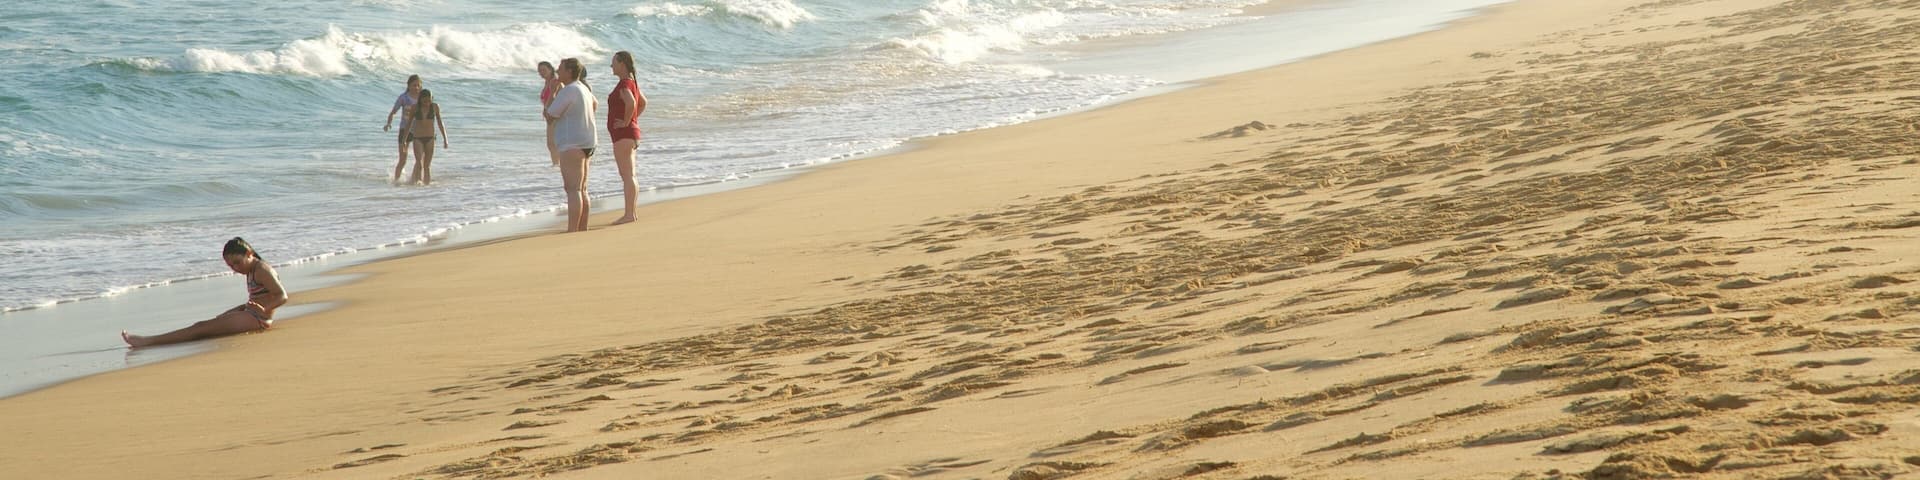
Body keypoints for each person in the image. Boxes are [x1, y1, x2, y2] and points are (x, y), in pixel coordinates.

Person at [122, 238, 287, 348]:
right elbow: (260, 296)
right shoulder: (253, 268)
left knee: (200, 328)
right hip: (250, 313)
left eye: (238, 262)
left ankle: (148, 341)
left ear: (249, 254)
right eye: (231, 266)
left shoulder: (262, 269)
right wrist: (243, 307)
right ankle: (150, 340)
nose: (236, 268)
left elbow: (281, 296)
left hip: (258, 319)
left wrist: (263, 309)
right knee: (208, 324)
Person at [544, 57, 598, 233]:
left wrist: (552, 93)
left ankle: (573, 229)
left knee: (572, 188)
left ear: (569, 72)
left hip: (572, 143)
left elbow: (550, 115)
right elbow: (595, 104)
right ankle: (582, 227)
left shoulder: (568, 90)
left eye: (560, 68)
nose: (557, 71)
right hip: (588, 140)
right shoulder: (583, 87)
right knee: (582, 188)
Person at [607, 51, 648, 225]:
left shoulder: (625, 84)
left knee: (627, 175)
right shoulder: (632, 82)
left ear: (622, 64)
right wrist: (632, 120)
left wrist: (625, 122)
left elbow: (632, 103)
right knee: (630, 175)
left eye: (613, 63)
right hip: (631, 133)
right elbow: (643, 103)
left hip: (624, 135)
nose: (611, 66)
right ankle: (631, 213)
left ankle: (629, 214)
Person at [383, 75, 423, 184]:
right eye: (413, 85)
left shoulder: (423, 98)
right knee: (403, 159)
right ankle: (396, 181)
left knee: (420, 159)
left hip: (419, 130)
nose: (416, 88)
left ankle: (416, 180)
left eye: (418, 85)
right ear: (408, 86)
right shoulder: (404, 97)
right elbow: (393, 112)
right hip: (404, 130)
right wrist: (388, 123)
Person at [407, 89, 449, 185]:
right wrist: (405, 140)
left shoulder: (434, 107)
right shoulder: (415, 108)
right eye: (425, 101)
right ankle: (417, 184)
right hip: (417, 138)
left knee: (427, 166)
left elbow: (440, 123)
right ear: (420, 99)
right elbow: (409, 124)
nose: (427, 103)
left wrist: (445, 139)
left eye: (429, 100)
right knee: (419, 163)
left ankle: (427, 188)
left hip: (430, 138)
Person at [538, 61, 562, 167]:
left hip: (555, 116)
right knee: (551, 143)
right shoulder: (547, 83)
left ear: (551, 69)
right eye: (539, 71)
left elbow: (562, 98)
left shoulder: (556, 82)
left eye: (544, 70)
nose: (541, 73)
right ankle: (556, 165)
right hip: (549, 115)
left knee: (553, 143)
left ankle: (557, 165)